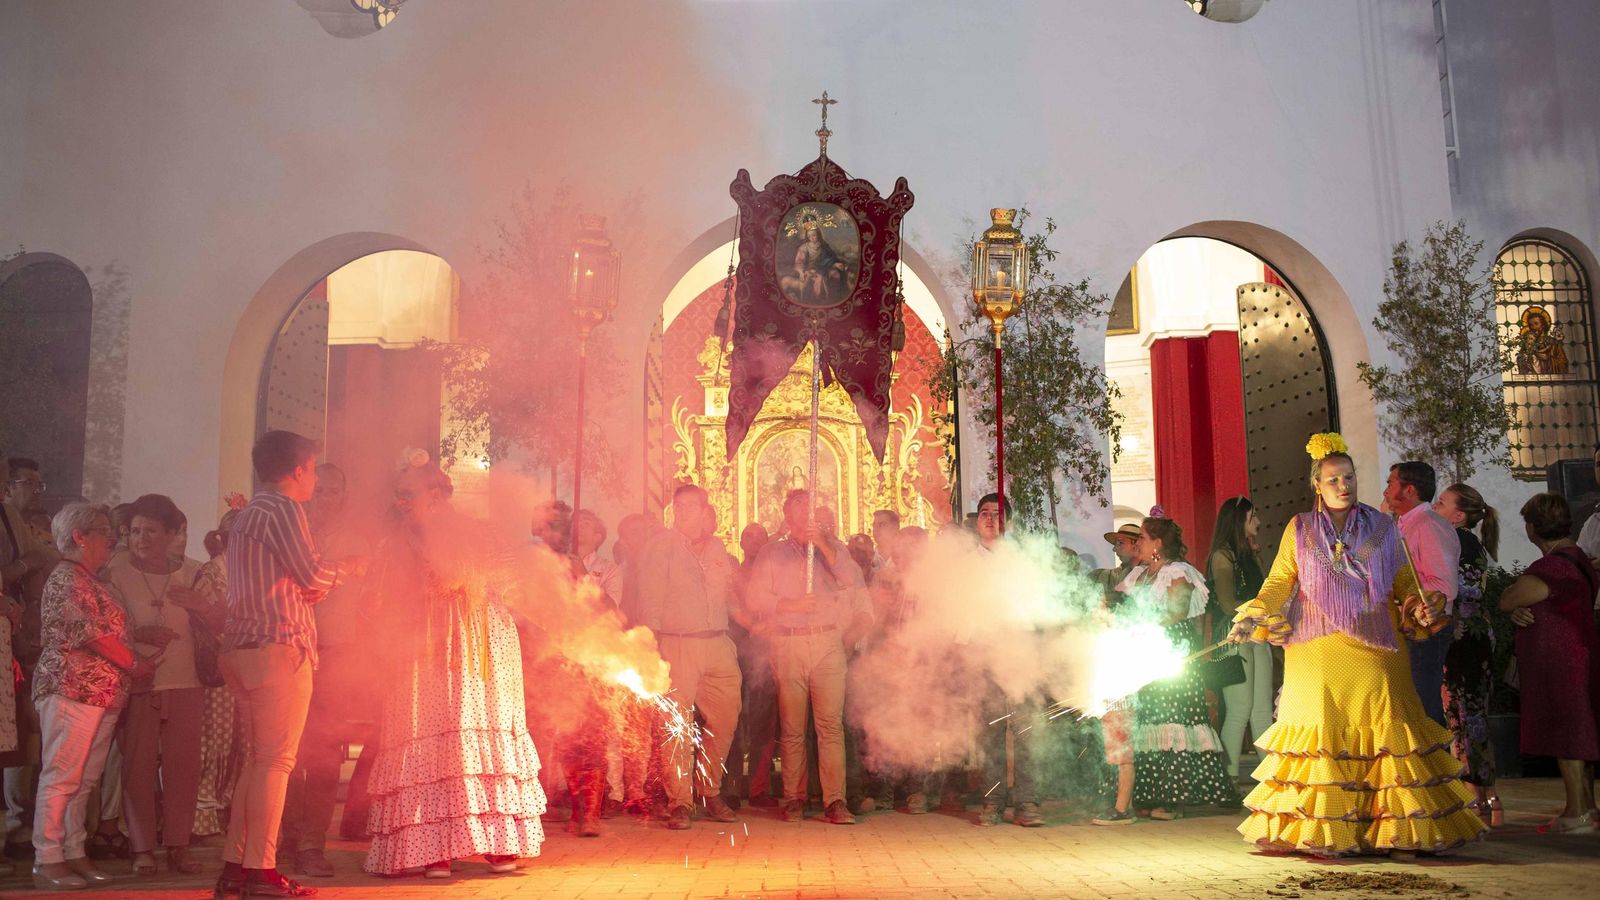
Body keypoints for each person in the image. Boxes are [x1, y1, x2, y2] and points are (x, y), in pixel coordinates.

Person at [1231, 433, 1486, 857]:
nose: (1343, 486)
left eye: (1348, 477)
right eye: (1333, 480)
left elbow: (1404, 581)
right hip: (1314, 649)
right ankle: (1328, 831)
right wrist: (1257, 610)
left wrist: (1417, 605)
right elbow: (1280, 581)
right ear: (1317, 484)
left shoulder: (1385, 526)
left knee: (1388, 732)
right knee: (1320, 734)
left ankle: (1397, 830)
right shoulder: (1300, 528)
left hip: (1377, 645)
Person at [364, 456, 545, 876]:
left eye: (410, 493)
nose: (403, 501)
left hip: (479, 643)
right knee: (429, 733)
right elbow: (376, 597)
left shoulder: (477, 532)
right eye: (400, 494)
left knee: (478, 728)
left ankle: (497, 841)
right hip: (420, 647)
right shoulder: (394, 542)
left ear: (437, 494)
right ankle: (433, 848)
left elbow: (510, 579)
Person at [216, 430, 365, 899]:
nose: (316, 481)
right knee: (276, 763)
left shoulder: (246, 514)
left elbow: (298, 581)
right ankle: (261, 871)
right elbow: (314, 574)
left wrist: (318, 581)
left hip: (243, 647)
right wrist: (349, 569)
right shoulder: (283, 509)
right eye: (313, 469)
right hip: (277, 646)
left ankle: (236, 869)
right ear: (298, 470)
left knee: (257, 765)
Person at [30, 503, 160, 890]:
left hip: (99, 694)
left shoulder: (92, 579)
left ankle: (73, 851)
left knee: (83, 780)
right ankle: (47, 857)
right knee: (62, 776)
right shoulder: (68, 578)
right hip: (72, 690)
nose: (113, 538)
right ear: (79, 537)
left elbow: (109, 630)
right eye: (104, 531)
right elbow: (95, 635)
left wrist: (139, 643)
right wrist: (135, 664)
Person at [746, 489, 868, 825]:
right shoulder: (771, 553)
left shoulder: (832, 547)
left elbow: (852, 581)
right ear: (786, 516)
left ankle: (835, 800)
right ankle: (794, 797)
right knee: (792, 726)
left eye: (808, 506)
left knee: (830, 725)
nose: (803, 512)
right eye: (796, 507)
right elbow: (755, 597)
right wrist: (790, 606)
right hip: (789, 643)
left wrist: (825, 546)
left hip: (827, 641)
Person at [102, 493, 207, 876]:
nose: (140, 538)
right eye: (133, 531)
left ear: (171, 533)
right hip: (138, 682)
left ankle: (178, 845)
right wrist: (136, 632)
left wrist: (201, 605)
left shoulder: (192, 573)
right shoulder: (114, 573)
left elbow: (219, 621)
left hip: (186, 682)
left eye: (149, 531)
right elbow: (101, 628)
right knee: (137, 768)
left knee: (184, 768)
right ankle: (142, 848)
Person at [279, 464, 371, 877]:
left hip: (335, 654)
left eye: (336, 492)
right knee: (283, 752)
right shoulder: (288, 532)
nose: (326, 498)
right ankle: (282, 836)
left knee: (323, 752)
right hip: (287, 648)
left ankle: (311, 844)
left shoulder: (357, 541)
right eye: (322, 490)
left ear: (344, 498)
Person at [637, 485, 742, 830]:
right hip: (677, 644)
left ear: (704, 510)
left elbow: (732, 596)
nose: (682, 511)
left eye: (690, 506)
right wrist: (651, 646)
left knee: (725, 720)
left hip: (719, 644)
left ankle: (709, 790)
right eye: (677, 506)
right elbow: (650, 598)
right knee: (675, 727)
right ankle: (679, 801)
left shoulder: (717, 548)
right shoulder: (660, 546)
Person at [1120, 509, 1237, 820]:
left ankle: (1172, 799)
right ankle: (1149, 794)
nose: (1137, 544)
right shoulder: (1138, 575)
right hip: (1142, 653)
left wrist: (1140, 623)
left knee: (1173, 721)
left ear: (1157, 542)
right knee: (1148, 721)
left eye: (1142, 538)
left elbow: (1176, 612)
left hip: (1172, 652)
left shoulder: (1177, 572)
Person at [1499, 492, 1600, 833]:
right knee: (1581, 732)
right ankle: (1587, 806)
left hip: (1561, 660)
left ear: (1532, 528)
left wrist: (1513, 605)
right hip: (1578, 653)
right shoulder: (1578, 558)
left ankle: (1576, 812)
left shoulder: (1553, 566)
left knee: (1568, 734)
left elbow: (1510, 597)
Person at [968, 493, 1045, 827]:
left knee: (1027, 732)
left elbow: (1038, 604)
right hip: (985, 655)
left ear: (1008, 522)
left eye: (996, 514)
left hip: (1021, 652)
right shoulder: (966, 564)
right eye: (983, 514)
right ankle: (993, 802)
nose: (988, 519)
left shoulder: (1023, 561)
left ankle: (1027, 802)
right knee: (991, 734)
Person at [1433, 483, 1503, 825]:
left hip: (1464, 640)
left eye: (1441, 502)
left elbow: (1454, 592)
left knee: (1465, 717)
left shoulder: (1457, 541)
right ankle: (1483, 796)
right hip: (1469, 638)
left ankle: (1479, 798)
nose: (1435, 506)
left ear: (1459, 515)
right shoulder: (1467, 542)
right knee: (1466, 716)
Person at [1383, 461, 1460, 727]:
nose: (1386, 490)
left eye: (1391, 483)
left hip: (1425, 630)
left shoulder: (1428, 524)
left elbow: (1443, 585)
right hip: (1407, 628)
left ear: (1409, 490)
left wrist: (1417, 604)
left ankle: (1435, 765)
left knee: (1423, 706)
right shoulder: (1406, 524)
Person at [1206, 497, 1271, 777]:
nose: (1257, 521)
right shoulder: (1223, 556)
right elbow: (1226, 602)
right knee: (1239, 709)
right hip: (1236, 635)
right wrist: (1254, 613)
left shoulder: (1248, 553)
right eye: (1252, 516)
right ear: (1239, 521)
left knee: (1261, 710)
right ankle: (1228, 779)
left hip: (1258, 633)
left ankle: (1271, 776)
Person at [189, 502, 243, 842]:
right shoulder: (212, 572)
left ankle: (224, 809)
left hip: (244, 667)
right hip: (219, 668)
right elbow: (204, 624)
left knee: (238, 742)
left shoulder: (247, 572)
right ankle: (202, 814)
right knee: (215, 742)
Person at [729, 522, 778, 807]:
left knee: (763, 723)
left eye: (760, 537)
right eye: (748, 536)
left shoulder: (776, 575)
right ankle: (732, 787)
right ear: (740, 541)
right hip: (736, 652)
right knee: (732, 720)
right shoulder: (732, 571)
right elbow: (731, 605)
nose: (754, 542)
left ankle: (759, 789)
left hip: (767, 654)